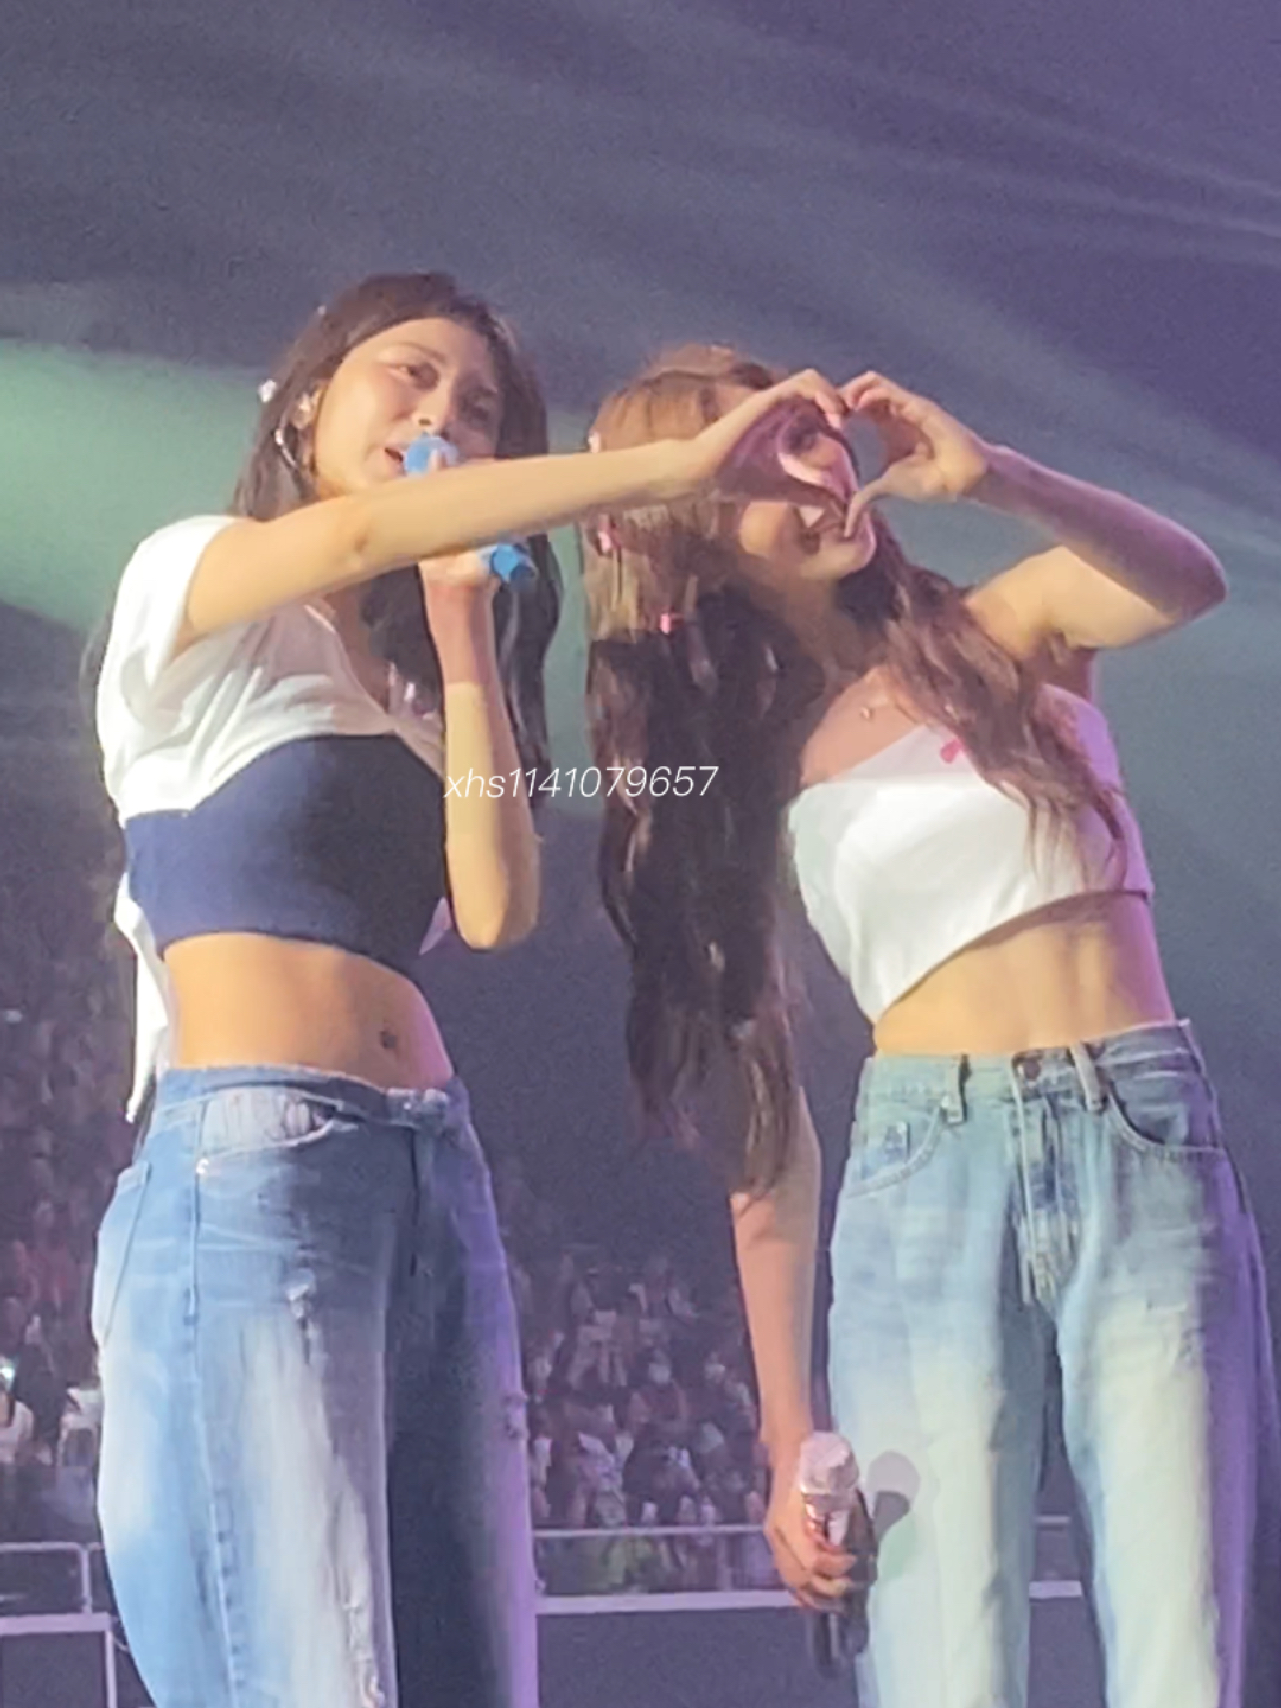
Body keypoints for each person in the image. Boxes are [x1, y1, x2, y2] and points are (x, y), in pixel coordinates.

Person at [87, 277, 852, 1708]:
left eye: (482, 409)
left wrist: (460, 637)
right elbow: (357, 534)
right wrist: (679, 466)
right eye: (411, 376)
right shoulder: (195, 582)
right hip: (258, 1165)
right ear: (305, 406)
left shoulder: (416, 695)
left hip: (433, 1173)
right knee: (311, 1662)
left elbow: (496, 905)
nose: (445, 416)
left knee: (468, 1662)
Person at [579, 345, 1280, 1707]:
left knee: (1183, 1646)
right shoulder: (738, 766)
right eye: (762, 454)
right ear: (692, 527)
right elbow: (765, 1131)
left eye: (814, 435)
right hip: (925, 1173)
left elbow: (1186, 580)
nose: (816, 467)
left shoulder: (1004, 626)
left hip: (1136, 1130)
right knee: (941, 1661)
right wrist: (790, 1437)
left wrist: (996, 476)